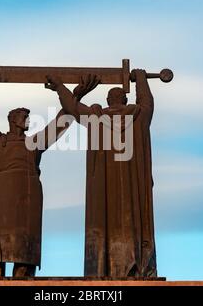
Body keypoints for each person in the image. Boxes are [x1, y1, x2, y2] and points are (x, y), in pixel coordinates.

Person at [0, 56, 99, 277]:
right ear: (13, 120)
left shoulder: (34, 143)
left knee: (25, 254)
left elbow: (59, 125)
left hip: (29, 198)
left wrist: (76, 96)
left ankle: (24, 275)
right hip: (3, 196)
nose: (28, 121)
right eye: (24, 117)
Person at [46, 69, 157, 277]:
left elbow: (71, 107)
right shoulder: (139, 117)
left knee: (104, 219)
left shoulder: (96, 118)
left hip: (104, 190)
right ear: (125, 100)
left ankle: (105, 266)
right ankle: (135, 266)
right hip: (133, 188)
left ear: (108, 100)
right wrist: (140, 78)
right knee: (132, 220)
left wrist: (60, 86)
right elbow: (147, 102)